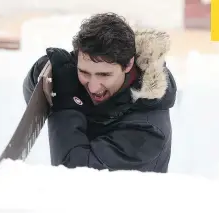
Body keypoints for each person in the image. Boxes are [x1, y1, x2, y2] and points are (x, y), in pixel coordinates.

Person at [23, 12, 177, 173]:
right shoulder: (94, 75)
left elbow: (73, 172)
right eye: (84, 72)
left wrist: (64, 102)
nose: (93, 87)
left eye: (104, 75)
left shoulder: (148, 132)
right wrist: (44, 73)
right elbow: (34, 98)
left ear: (128, 65)